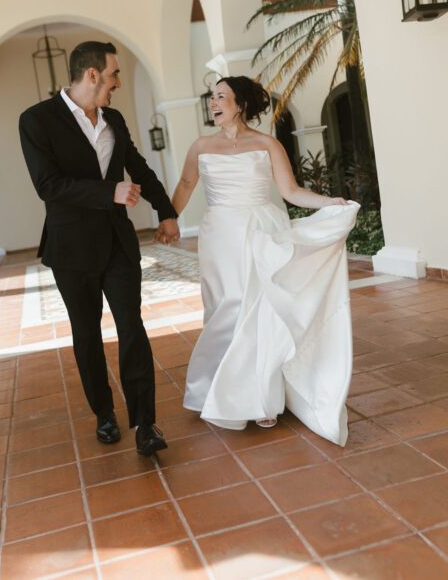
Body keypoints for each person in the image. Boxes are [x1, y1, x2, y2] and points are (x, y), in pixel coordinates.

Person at [171, 76, 358, 445]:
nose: (213, 102)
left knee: (259, 308)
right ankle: (217, 387)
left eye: (221, 96)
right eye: (212, 97)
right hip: (220, 235)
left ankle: (260, 396)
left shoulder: (267, 144)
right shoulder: (200, 146)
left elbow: (290, 192)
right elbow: (185, 185)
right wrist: (168, 220)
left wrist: (329, 203)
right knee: (225, 307)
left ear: (240, 104)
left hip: (262, 229)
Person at [18, 41, 180, 456]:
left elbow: (137, 166)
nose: (118, 83)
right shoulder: (36, 120)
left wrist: (166, 210)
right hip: (70, 250)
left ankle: (146, 423)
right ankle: (104, 414)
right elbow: (48, 186)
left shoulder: (115, 119)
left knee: (132, 328)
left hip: (117, 244)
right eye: (114, 74)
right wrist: (110, 192)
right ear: (92, 75)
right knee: (87, 335)